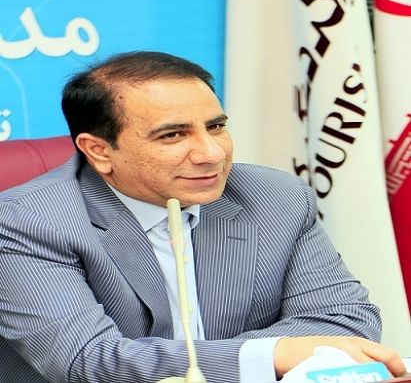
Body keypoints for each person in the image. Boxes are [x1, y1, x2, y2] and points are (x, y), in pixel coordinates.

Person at [0, 51, 405, 383]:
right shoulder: (29, 221)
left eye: (216, 127)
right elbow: (90, 361)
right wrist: (272, 354)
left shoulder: (276, 197)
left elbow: (344, 320)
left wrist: (249, 359)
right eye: (173, 135)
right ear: (99, 151)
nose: (211, 153)